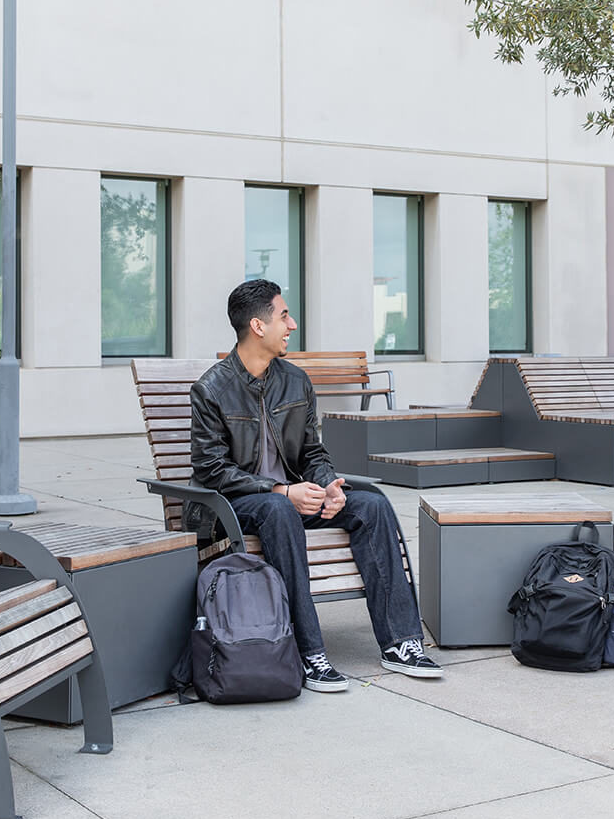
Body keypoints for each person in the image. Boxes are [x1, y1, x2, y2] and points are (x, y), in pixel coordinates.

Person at [189, 279, 443, 693]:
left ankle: (400, 642)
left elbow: (312, 453)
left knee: (371, 506)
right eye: (284, 315)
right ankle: (309, 652)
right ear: (257, 326)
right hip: (234, 509)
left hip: (289, 503)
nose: (292, 324)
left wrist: (328, 486)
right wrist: (280, 491)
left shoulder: (294, 381)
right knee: (278, 509)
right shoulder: (212, 388)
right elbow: (211, 468)